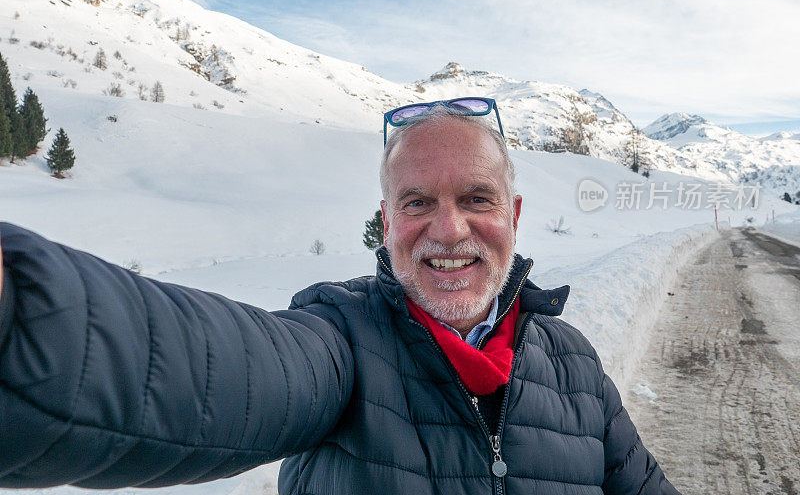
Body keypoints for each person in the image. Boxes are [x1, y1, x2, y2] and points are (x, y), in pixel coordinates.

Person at [0, 99, 680, 494]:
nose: (449, 229)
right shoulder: (341, 340)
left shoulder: (573, 365)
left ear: (514, 214)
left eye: (477, 198)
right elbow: (203, 370)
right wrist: (21, 319)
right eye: (418, 202)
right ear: (387, 224)